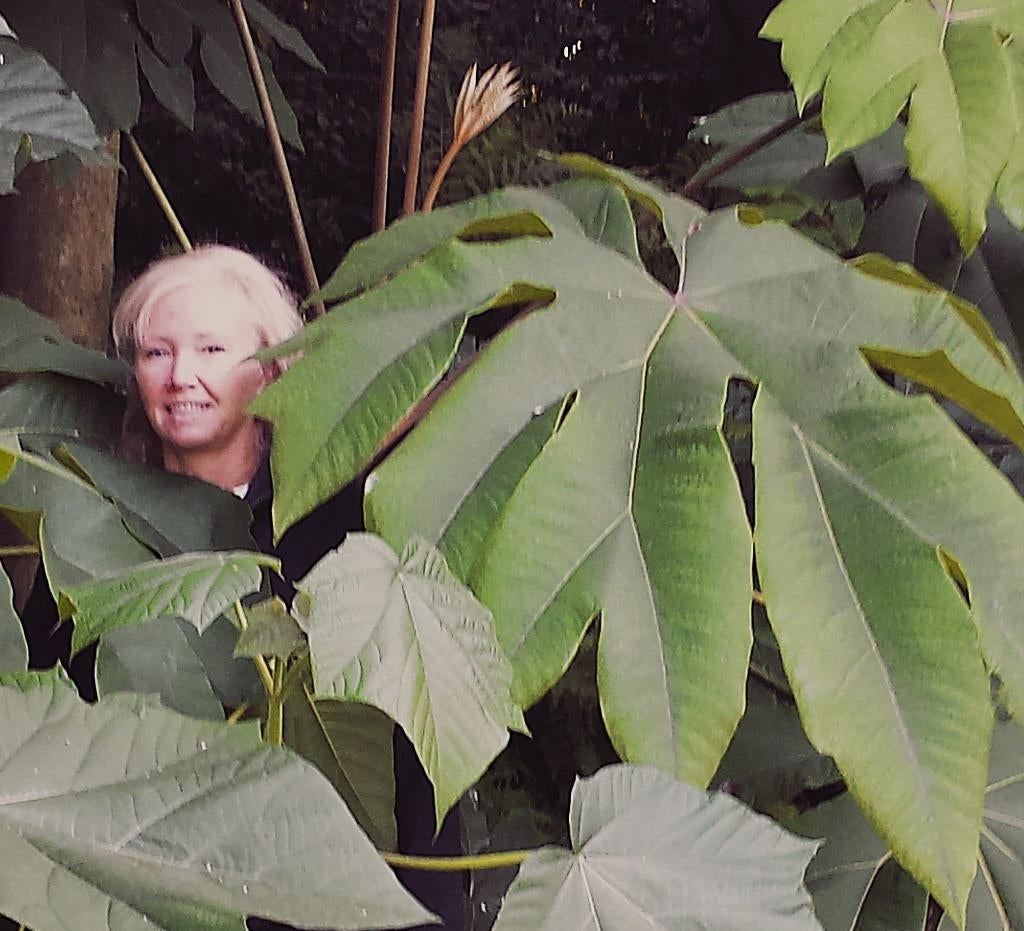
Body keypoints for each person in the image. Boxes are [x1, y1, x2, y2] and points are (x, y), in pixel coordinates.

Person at [110, 244, 465, 930]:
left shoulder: (354, 533)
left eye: (212, 349)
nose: (181, 375)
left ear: (272, 368)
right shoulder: (98, 519)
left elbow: (417, 754)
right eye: (157, 353)